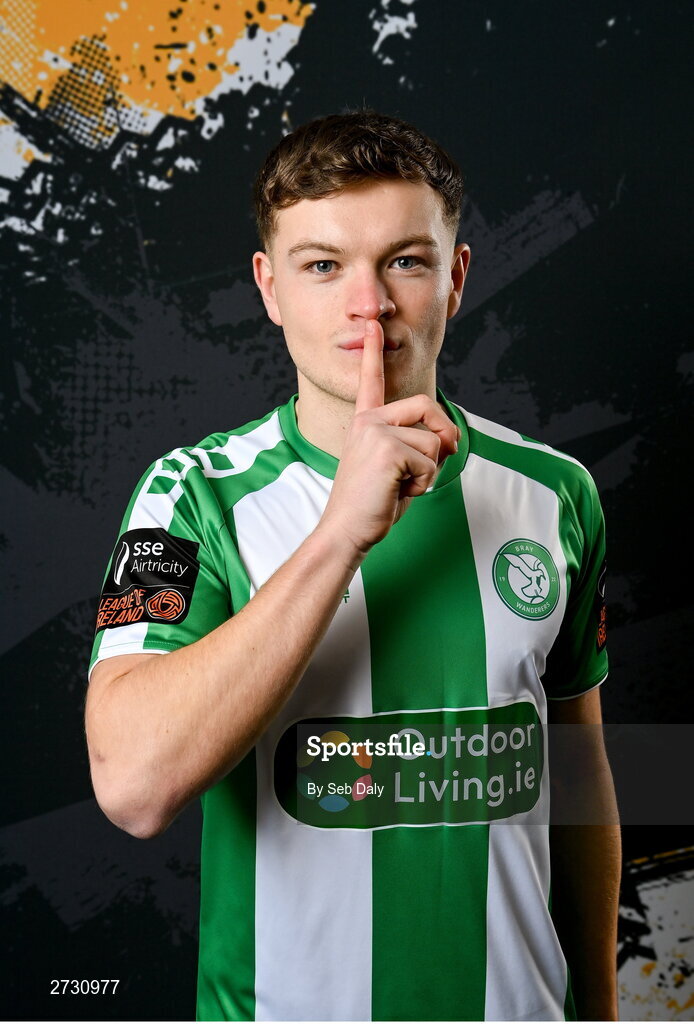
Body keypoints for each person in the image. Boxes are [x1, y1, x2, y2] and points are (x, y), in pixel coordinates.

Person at [85, 110, 621, 1022]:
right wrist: (339, 535)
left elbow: (575, 773)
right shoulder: (192, 496)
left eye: (406, 262)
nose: (367, 305)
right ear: (271, 288)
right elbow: (134, 788)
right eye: (323, 266)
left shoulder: (555, 493)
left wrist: (601, 1011)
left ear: (454, 279)